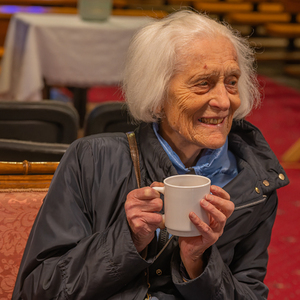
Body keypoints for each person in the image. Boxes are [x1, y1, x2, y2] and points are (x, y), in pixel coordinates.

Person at [12, 10, 289, 300]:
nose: (223, 101)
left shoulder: (254, 183)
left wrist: (198, 262)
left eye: (231, 81)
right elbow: (37, 290)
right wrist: (128, 240)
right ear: (156, 96)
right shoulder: (92, 160)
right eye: (202, 83)